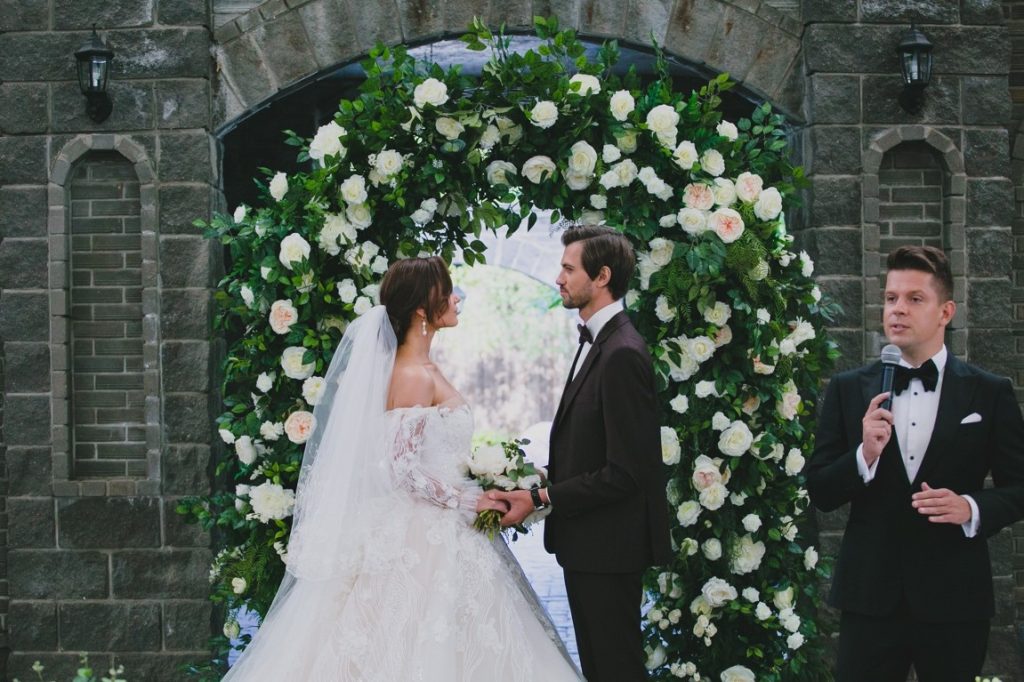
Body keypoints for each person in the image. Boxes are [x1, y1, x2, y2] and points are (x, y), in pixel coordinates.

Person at [223, 256, 582, 681]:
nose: (455, 297)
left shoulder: (427, 368)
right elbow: (400, 469)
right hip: (422, 531)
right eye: (447, 291)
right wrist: (469, 497)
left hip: (441, 521)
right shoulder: (412, 374)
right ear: (420, 308)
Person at [806, 245, 1024, 682]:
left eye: (913, 299)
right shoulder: (849, 389)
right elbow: (821, 490)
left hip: (954, 599)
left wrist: (971, 509)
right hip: (870, 598)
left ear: (946, 311)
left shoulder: (989, 392)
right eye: (890, 298)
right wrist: (864, 455)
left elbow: (1018, 488)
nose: (897, 310)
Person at [496, 225, 671, 682]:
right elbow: (594, 449)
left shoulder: (622, 353)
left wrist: (540, 500)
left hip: (609, 548)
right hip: (590, 545)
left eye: (569, 269)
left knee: (615, 669)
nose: (559, 278)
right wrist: (537, 478)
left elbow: (626, 473)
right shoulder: (600, 341)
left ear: (602, 276)